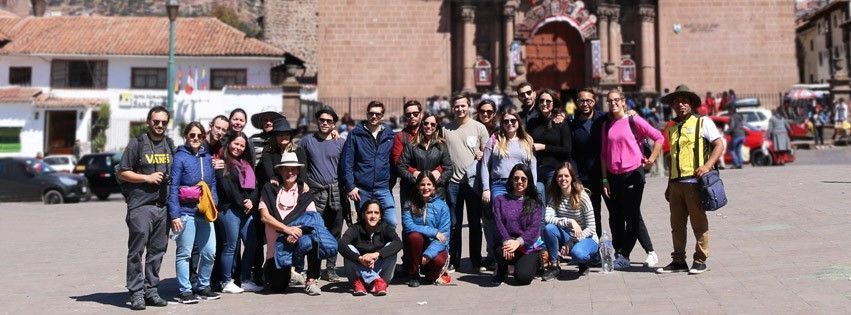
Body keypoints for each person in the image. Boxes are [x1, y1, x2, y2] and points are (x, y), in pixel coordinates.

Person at [656, 85, 725, 275]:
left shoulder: (703, 122)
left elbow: (719, 145)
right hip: (677, 184)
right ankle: (678, 261)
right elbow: (673, 158)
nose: (680, 104)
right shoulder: (672, 128)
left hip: (695, 183)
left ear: (691, 104)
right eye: (677, 101)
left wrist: (707, 165)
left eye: (684, 101)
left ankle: (700, 259)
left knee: (698, 223)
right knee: (676, 226)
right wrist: (669, 184)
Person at [116, 106, 174, 310]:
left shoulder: (169, 144)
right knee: (136, 251)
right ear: (148, 122)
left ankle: (151, 291)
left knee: (157, 251)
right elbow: (122, 171)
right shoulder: (137, 143)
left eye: (164, 122)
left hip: (162, 207)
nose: (160, 125)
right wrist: (146, 177)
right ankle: (136, 293)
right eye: (156, 122)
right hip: (141, 205)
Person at [601, 89, 664, 270]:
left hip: (633, 174)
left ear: (623, 101)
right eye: (609, 101)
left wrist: (651, 159)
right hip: (614, 177)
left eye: (616, 100)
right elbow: (604, 155)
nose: (613, 103)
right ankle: (650, 251)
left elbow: (658, 137)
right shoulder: (607, 125)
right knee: (627, 215)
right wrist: (604, 180)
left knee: (633, 217)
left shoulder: (633, 120)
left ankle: (624, 255)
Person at [258, 151, 336, 295]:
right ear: (280, 170)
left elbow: (312, 218)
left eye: (293, 169)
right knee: (277, 287)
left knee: (314, 239)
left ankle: (311, 280)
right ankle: (290, 272)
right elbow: (265, 217)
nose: (290, 172)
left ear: (298, 171)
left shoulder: (304, 191)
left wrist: (295, 231)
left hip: (298, 237)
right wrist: (287, 229)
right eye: (286, 168)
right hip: (276, 247)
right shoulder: (269, 189)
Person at [168, 121, 219, 304]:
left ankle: (203, 286)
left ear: (203, 137)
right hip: (185, 212)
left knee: (209, 252)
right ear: (186, 136)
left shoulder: (207, 157)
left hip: (204, 213)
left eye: (199, 135)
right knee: (185, 253)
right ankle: (185, 290)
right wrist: (174, 215)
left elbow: (212, 185)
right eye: (192, 135)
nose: (196, 138)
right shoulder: (180, 157)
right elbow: (173, 187)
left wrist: (214, 204)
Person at [443, 94, 490, 272]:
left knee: (474, 223)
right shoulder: (446, 129)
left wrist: (481, 153)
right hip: (453, 183)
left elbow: (487, 154)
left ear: (469, 106)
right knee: (454, 224)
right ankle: (454, 261)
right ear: (452, 108)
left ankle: (476, 262)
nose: (460, 109)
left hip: (472, 183)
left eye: (463, 106)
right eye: (457, 106)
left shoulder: (479, 128)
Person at [299, 107, 347, 282]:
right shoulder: (307, 141)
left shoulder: (340, 143)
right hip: (315, 193)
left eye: (328, 121)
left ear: (334, 123)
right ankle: (314, 270)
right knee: (315, 231)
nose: (325, 123)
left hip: (336, 193)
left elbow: (345, 167)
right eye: (322, 120)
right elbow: (301, 165)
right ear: (317, 121)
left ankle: (331, 269)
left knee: (335, 233)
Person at [215, 131, 263, 293]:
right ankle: (226, 281)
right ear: (229, 143)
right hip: (229, 209)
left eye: (242, 145)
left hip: (246, 210)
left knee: (252, 243)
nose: (239, 147)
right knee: (230, 246)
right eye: (236, 143)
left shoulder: (246, 163)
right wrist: (243, 203)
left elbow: (255, 186)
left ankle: (245, 279)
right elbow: (227, 188)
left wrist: (252, 201)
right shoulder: (223, 163)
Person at [340, 101, 398, 226]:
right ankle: (367, 246)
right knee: (365, 224)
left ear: (382, 116)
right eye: (371, 113)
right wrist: (350, 186)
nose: (374, 116)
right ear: (367, 114)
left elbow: (393, 162)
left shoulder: (389, 135)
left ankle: (385, 246)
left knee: (391, 221)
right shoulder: (355, 135)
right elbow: (347, 162)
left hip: (383, 188)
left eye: (378, 114)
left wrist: (390, 182)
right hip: (362, 189)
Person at [541, 162, 598, 280]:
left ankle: (584, 262)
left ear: (572, 178)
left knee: (578, 254)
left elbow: (592, 228)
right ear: (556, 178)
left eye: (566, 176)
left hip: (588, 237)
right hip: (568, 234)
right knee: (549, 228)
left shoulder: (582, 196)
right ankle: (554, 266)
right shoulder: (554, 195)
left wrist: (571, 242)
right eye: (560, 176)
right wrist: (570, 221)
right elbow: (547, 218)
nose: (563, 179)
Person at [491, 163, 544, 286]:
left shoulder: (535, 203)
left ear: (528, 181)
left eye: (523, 179)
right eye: (516, 178)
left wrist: (518, 242)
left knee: (523, 278)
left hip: (526, 246)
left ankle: (535, 262)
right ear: (511, 180)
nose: (519, 182)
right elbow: (498, 224)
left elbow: (534, 229)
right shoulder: (500, 200)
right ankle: (502, 268)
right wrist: (507, 241)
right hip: (507, 244)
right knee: (500, 252)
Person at [338, 200, 403, 296]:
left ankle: (376, 282)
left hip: (380, 271)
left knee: (391, 247)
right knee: (349, 248)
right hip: (358, 276)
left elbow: (398, 243)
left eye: (376, 213)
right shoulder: (355, 228)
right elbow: (341, 245)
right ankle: (373, 281)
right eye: (369, 212)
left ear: (380, 216)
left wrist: (376, 255)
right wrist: (360, 259)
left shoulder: (385, 227)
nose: (373, 216)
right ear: (363, 215)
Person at [402, 172, 452, 287]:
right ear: (417, 186)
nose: (426, 188)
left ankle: (431, 273)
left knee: (438, 261)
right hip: (418, 246)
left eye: (429, 184)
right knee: (414, 236)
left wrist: (429, 253)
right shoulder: (409, 203)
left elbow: (444, 235)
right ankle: (414, 273)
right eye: (422, 185)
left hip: (436, 245)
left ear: (434, 186)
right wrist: (434, 232)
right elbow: (408, 226)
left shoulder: (442, 206)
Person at [570, 88, 606, 238]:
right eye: (581, 101)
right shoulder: (572, 123)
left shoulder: (604, 119)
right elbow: (571, 153)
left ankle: (620, 251)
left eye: (589, 100)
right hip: (585, 178)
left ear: (594, 101)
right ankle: (595, 248)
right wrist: (576, 178)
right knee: (592, 214)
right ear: (577, 102)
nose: (585, 104)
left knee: (618, 213)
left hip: (607, 176)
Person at [481, 111, 538, 205]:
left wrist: (533, 187)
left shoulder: (527, 140)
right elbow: (485, 164)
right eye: (506, 121)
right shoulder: (494, 139)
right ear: (502, 124)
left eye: (513, 120)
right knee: (500, 214)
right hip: (500, 184)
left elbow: (532, 166)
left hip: (521, 184)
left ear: (519, 122)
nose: (509, 123)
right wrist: (486, 189)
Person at [527, 89, 572, 201]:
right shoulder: (533, 122)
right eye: (541, 100)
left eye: (548, 101)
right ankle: (541, 220)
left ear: (554, 103)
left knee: (551, 203)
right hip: (535, 169)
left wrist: (544, 147)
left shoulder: (560, 122)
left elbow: (567, 150)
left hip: (553, 169)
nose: (544, 103)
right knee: (538, 200)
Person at [397, 112, 453, 200]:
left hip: (437, 193)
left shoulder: (441, 146)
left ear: (436, 126)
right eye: (426, 123)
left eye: (432, 124)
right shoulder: (411, 145)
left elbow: (449, 168)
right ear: (422, 124)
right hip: (414, 192)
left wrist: (434, 182)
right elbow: (401, 166)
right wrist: (418, 181)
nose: (429, 126)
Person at [475, 99, 499, 271]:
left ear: (494, 114)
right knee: (484, 220)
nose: (485, 114)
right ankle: (490, 254)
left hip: (495, 181)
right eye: (482, 111)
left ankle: (496, 254)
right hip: (475, 181)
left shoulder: (500, 131)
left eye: (489, 112)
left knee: (496, 219)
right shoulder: (472, 128)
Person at [392, 100, 423, 206]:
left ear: (420, 114)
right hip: (408, 185)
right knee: (408, 219)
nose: (412, 116)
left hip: (430, 184)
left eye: (415, 114)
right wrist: (414, 172)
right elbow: (398, 161)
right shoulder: (400, 136)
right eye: (408, 114)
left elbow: (443, 157)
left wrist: (436, 171)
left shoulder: (431, 133)